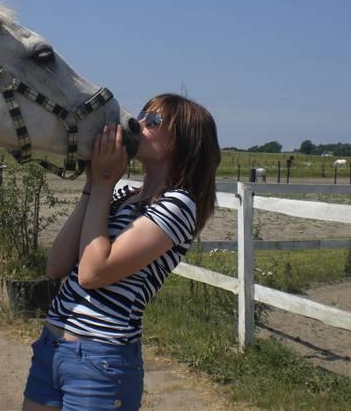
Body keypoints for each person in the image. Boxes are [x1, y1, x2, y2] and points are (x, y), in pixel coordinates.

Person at [22, 93, 221, 411]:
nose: (138, 123)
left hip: (100, 361)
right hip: (52, 347)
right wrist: (93, 185)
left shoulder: (178, 205)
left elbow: (92, 273)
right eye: (142, 115)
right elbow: (57, 265)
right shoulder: (120, 192)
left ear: (182, 141)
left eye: (153, 121)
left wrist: (102, 183)